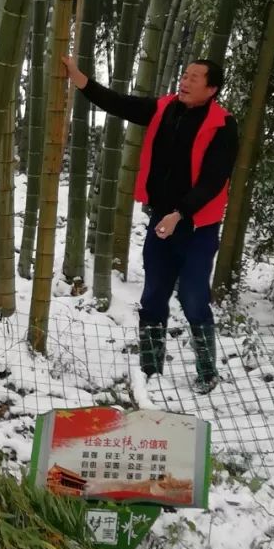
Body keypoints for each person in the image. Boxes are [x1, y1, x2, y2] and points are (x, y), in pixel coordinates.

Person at [60, 55, 238, 394]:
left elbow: (214, 179)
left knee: (192, 295)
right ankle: (150, 368)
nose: (185, 81)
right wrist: (81, 80)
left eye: (195, 78)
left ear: (212, 89)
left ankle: (206, 370)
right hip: (162, 219)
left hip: (197, 225)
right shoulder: (165, 108)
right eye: (185, 74)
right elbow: (121, 104)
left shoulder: (223, 125)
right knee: (154, 293)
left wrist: (180, 214)